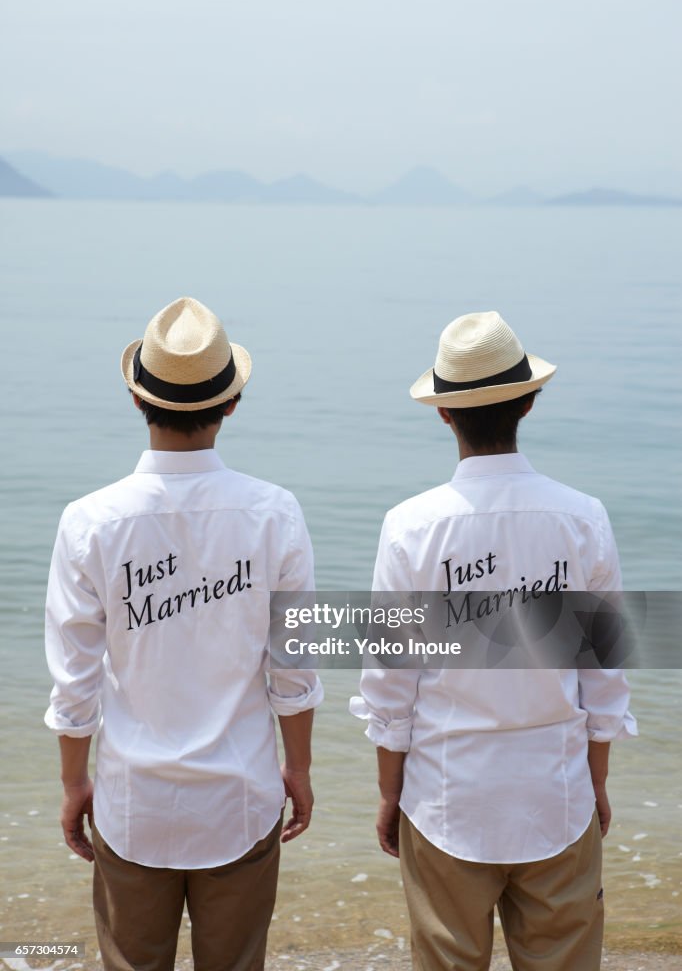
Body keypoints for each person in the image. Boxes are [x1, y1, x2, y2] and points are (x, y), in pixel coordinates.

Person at [350, 311, 636, 971]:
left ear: (444, 415)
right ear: (530, 402)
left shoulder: (411, 528)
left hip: (447, 796)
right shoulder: (582, 518)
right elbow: (605, 676)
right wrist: (596, 783)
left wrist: (390, 794)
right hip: (556, 794)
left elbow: (389, 684)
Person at [45, 297, 323, 971]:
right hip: (240, 800)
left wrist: (74, 783)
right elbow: (294, 671)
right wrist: (299, 768)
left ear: (139, 401)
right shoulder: (274, 514)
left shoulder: (91, 522)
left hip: (132, 802)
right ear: (230, 405)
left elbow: (75, 681)